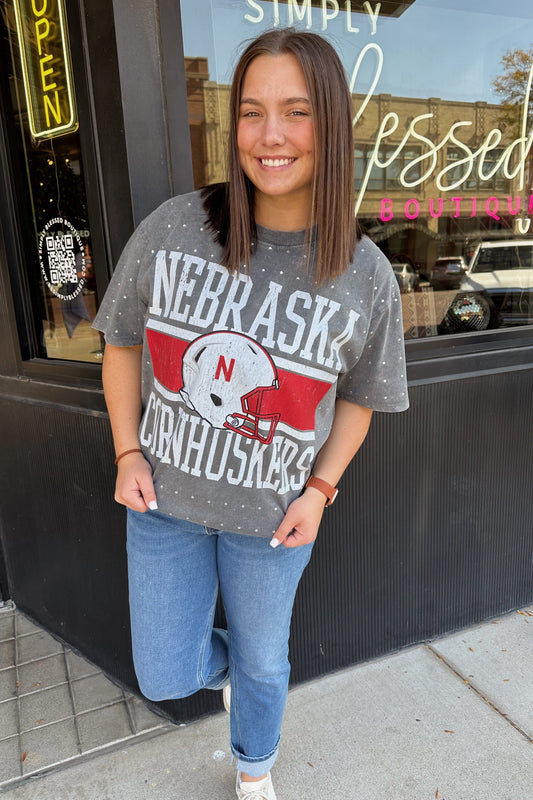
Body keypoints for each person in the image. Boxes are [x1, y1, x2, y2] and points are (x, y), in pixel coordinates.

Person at [93, 27, 409, 800]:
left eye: (296, 112)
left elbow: (362, 400)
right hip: (164, 502)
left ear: (330, 126)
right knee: (166, 675)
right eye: (251, 111)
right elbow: (122, 344)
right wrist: (128, 452)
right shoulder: (175, 229)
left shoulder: (362, 273)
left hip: (273, 519)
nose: (270, 136)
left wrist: (319, 490)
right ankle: (245, 674)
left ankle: (253, 765)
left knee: (267, 665)